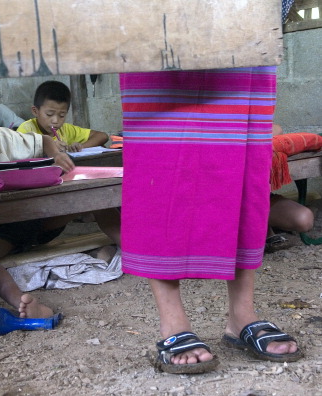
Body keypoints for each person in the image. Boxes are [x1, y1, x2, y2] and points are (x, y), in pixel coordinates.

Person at [120, 66, 303, 375]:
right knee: (161, 160)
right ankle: (173, 320)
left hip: (242, 32)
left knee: (243, 158)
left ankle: (241, 315)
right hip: (155, 27)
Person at [0, 80, 121, 327]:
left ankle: (136, 254)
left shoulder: (4, 138)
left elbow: (42, 142)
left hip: (34, 218)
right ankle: (18, 305)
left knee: (94, 199)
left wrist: (57, 154)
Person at [17, 80, 109, 152]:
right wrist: (49, 148)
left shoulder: (65, 129)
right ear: (35, 111)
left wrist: (80, 147)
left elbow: (102, 136)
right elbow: (18, 151)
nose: (55, 121)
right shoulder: (26, 130)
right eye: (49, 114)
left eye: (61, 115)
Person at [266, 124, 315, 252]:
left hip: (258, 199)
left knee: (304, 219)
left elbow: (277, 128)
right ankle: (266, 234)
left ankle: (264, 228)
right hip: (225, 204)